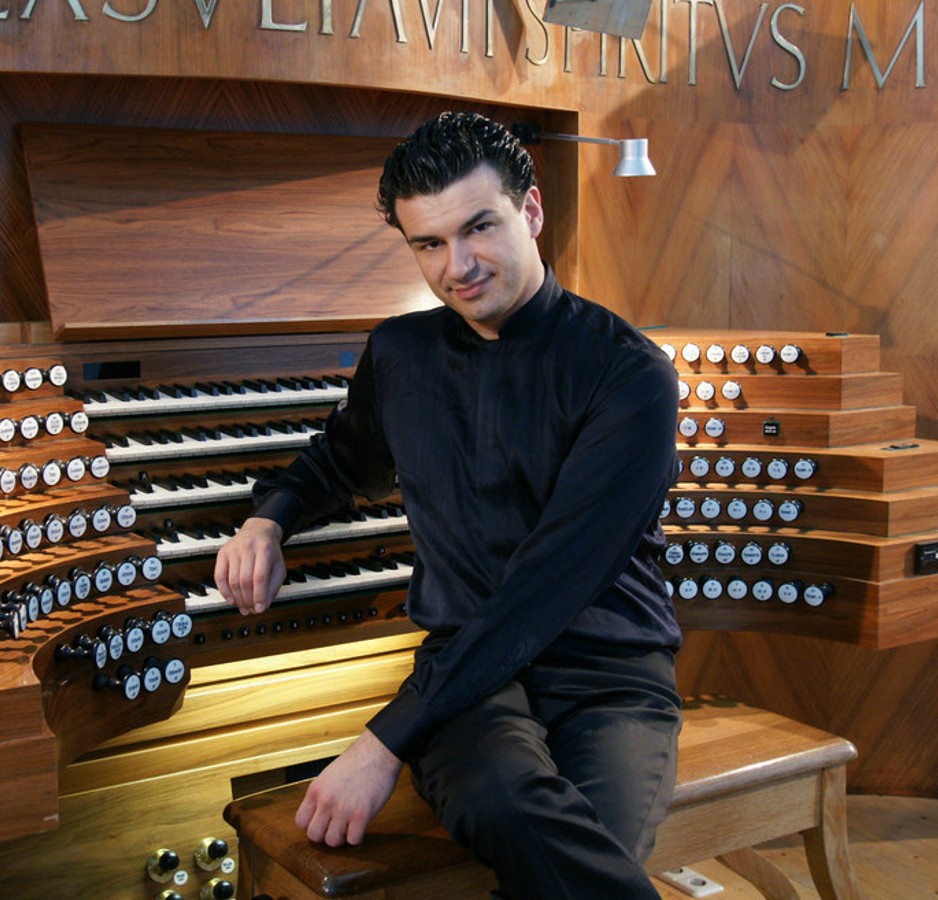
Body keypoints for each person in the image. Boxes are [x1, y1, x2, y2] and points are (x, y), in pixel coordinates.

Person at [214, 111, 683, 899]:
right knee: (509, 804)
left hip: (609, 675)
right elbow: (341, 460)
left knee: (575, 856)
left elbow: (545, 590)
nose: (457, 266)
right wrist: (272, 515)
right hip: (469, 681)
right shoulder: (400, 354)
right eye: (428, 244)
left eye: (478, 228)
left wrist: (382, 741)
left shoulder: (629, 375)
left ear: (530, 212)